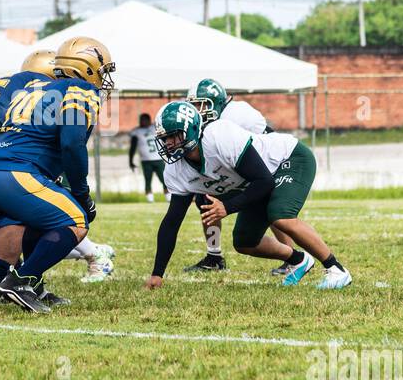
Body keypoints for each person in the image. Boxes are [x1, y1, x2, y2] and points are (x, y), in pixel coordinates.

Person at [0, 37, 115, 313]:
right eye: (102, 69)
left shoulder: (35, 87)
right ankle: (20, 281)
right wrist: (82, 194)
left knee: (40, 219)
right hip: (12, 170)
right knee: (75, 220)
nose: (104, 78)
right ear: (87, 66)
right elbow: (71, 143)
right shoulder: (80, 88)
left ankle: (33, 287)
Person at [144, 101, 350, 290]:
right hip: (254, 181)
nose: (169, 144)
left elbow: (265, 182)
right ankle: (298, 260)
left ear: (190, 130)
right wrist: (157, 274)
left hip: (288, 159)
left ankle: (336, 269)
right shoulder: (175, 170)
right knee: (245, 241)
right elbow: (172, 222)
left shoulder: (218, 137)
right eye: (165, 138)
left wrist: (226, 207)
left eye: (173, 136)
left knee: (281, 216)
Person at [182, 78, 274, 273]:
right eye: (193, 105)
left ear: (215, 103)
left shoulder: (239, 114)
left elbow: (267, 139)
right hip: (231, 170)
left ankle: (290, 256)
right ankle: (214, 256)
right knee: (206, 200)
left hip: (259, 168)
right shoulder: (204, 124)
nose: (196, 110)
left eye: (200, 104)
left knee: (273, 207)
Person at [129, 113, 165, 202]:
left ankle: (169, 198)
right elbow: (132, 148)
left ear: (149, 120)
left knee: (165, 180)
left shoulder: (155, 128)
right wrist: (130, 160)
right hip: (146, 160)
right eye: (141, 120)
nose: (142, 122)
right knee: (148, 181)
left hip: (158, 159)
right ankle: (150, 200)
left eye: (144, 120)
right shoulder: (136, 131)